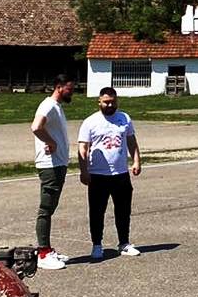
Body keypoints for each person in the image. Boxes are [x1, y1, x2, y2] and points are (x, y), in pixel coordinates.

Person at [77, 86, 142, 260]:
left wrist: (136, 160)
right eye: (106, 102)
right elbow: (83, 148)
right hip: (98, 175)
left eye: (113, 101)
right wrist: (83, 170)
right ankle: (97, 245)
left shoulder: (124, 119)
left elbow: (131, 141)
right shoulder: (90, 122)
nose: (110, 105)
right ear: (99, 102)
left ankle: (124, 243)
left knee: (123, 210)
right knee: (97, 211)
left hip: (120, 174)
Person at [30, 74, 75, 271]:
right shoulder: (48, 105)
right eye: (69, 89)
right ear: (59, 87)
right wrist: (51, 142)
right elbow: (36, 127)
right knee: (46, 208)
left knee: (51, 207)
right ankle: (43, 252)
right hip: (50, 165)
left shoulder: (56, 107)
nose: (71, 92)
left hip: (57, 164)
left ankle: (47, 248)